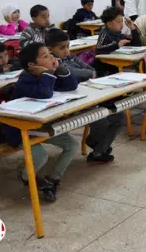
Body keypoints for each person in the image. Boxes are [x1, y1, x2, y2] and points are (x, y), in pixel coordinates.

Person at [3, 42, 78, 203]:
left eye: (50, 54)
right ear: (32, 65)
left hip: (41, 126)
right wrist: (47, 74)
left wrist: (60, 69)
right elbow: (44, 93)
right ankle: (25, 176)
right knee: (41, 155)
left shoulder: (49, 74)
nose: (52, 58)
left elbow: (72, 86)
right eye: (45, 56)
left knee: (72, 145)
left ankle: (53, 178)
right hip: (21, 130)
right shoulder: (25, 79)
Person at [45, 29, 120, 163]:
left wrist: (86, 73)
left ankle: (98, 149)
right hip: (70, 104)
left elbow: (90, 69)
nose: (66, 51)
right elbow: (77, 73)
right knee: (101, 119)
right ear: (50, 49)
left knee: (119, 115)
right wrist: (86, 73)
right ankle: (98, 148)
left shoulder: (69, 57)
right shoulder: (52, 63)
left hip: (87, 95)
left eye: (68, 46)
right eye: (62, 48)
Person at [94, 6, 142, 76]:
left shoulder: (119, 34)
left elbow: (136, 45)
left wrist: (132, 28)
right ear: (109, 24)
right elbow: (99, 48)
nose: (121, 24)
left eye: (122, 21)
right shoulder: (104, 33)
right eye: (118, 22)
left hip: (117, 67)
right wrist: (117, 45)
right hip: (105, 71)